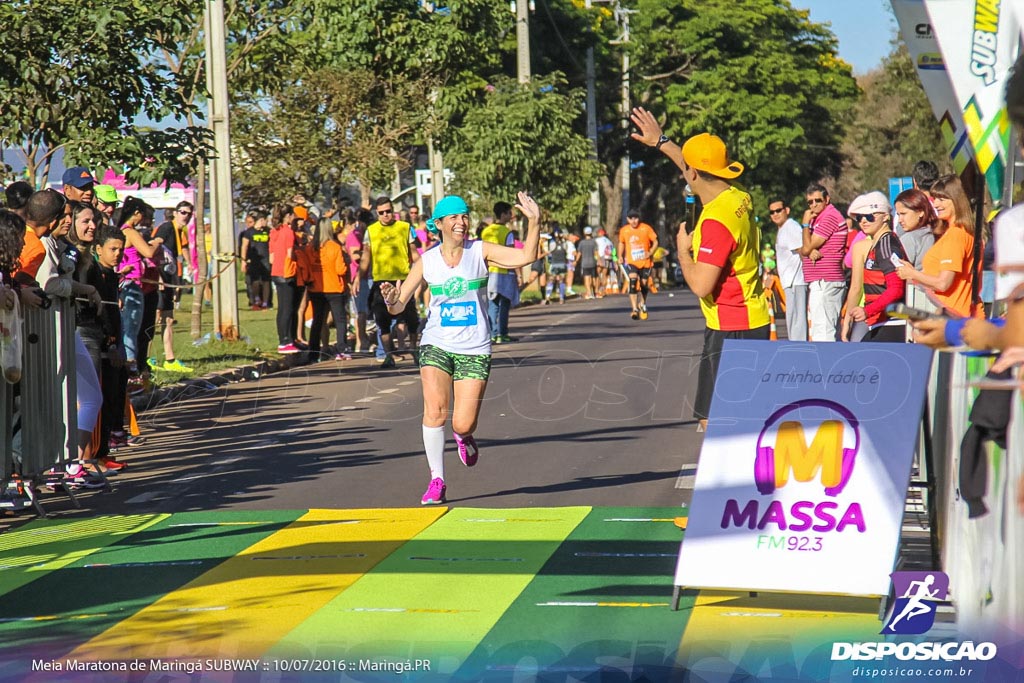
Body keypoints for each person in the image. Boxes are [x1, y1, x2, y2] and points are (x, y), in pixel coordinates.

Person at [379, 192, 540, 505]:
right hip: (436, 343)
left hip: (475, 347)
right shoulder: (426, 260)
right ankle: (437, 480)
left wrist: (534, 221)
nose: (461, 222)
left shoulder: (480, 250)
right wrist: (389, 298)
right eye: (454, 217)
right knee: (434, 411)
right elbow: (399, 306)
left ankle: (464, 436)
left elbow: (526, 257)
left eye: (464, 216)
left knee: (461, 422)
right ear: (438, 224)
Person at [630, 108, 770, 431]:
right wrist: (662, 142)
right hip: (754, 316)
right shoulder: (738, 196)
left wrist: (682, 253)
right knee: (744, 414)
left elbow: (701, 285)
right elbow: (693, 167)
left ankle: (729, 480)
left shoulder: (716, 222)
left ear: (692, 175)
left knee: (715, 420)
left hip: (730, 325)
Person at [897, 175, 981, 319]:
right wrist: (913, 274)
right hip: (952, 315)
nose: (935, 204)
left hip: (957, 317)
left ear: (957, 201)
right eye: (935, 198)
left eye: (941, 199)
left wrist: (913, 274)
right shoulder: (954, 232)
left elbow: (943, 283)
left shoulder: (956, 235)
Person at [359, 195, 419, 368]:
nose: (385, 215)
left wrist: (423, 272)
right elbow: (365, 257)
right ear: (377, 214)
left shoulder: (405, 228)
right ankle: (388, 355)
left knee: (410, 317)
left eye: (388, 211)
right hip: (380, 281)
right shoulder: (371, 231)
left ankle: (414, 349)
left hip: (403, 279)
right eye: (381, 213)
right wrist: (357, 278)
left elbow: (414, 253)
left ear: (393, 211)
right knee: (382, 319)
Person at [840, 192, 908, 343]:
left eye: (870, 216)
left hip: (891, 322)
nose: (864, 221)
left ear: (886, 216)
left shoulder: (886, 245)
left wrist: (867, 311)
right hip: (881, 321)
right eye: (859, 217)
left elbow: (896, 289)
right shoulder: (878, 244)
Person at [798, 183, 848, 341]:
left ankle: (827, 364)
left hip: (827, 280)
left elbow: (806, 248)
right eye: (810, 202)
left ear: (827, 199)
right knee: (820, 328)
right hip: (819, 280)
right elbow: (803, 250)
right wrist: (808, 249)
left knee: (825, 331)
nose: (813, 205)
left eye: (817, 200)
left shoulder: (830, 216)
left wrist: (805, 225)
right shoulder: (817, 219)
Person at [151, 201, 194, 372]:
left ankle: (170, 360)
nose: (186, 216)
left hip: (168, 279)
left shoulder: (178, 231)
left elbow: (177, 253)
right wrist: (158, 276)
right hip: (160, 280)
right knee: (154, 319)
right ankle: (146, 359)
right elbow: (155, 244)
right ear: (175, 213)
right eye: (183, 212)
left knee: (167, 319)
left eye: (189, 214)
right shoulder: (167, 228)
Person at [307, 216, 351, 361]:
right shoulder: (335, 247)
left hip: (316, 288)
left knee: (318, 321)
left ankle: (313, 352)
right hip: (334, 288)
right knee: (340, 320)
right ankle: (342, 350)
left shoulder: (310, 248)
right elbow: (340, 270)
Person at [480, 201, 519, 343]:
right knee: (505, 304)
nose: (511, 216)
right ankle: (503, 333)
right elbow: (511, 252)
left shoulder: (486, 231)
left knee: (492, 304)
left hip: (489, 271)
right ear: (503, 214)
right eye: (509, 213)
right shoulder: (507, 232)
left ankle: (492, 334)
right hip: (504, 271)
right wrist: (516, 272)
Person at [769, 198, 807, 341]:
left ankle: (799, 351)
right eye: (772, 212)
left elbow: (803, 251)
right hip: (790, 281)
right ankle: (796, 347)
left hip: (796, 280)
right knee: (793, 320)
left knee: (797, 320)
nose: (775, 214)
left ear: (787, 210)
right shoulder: (783, 230)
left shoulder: (791, 227)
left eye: (778, 210)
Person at [270, 202, 302, 353]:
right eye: (293, 215)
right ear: (288, 216)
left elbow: (271, 257)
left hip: (276, 271)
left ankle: (287, 338)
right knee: (288, 308)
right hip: (287, 272)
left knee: (282, 307)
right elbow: (290, 254)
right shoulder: (289, 232)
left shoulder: (275, 232)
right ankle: (285, 341)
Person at [618, 209, 659, 320]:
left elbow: (656, 241)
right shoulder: (624, 230)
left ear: (638, 218)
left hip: (645, 262)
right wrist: (620, 256)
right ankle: (634, 309)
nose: (634, 221)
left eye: (635, 218)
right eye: (631, 218)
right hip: (632, 261)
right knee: (633, 280)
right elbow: (621, 243)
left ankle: (642, 303)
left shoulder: (646, 228)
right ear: (628, 219)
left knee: (643, 284)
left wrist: (650, 252)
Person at [240, 211, 272, 310]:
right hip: (254, 260)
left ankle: (266, 303)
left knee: (266, 281)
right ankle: (257, 299)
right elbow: (244, 246)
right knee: (255, 281)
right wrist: (243, 260)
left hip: (266, 260)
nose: (266, 222)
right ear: (259, 220)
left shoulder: (268, 231)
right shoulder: (249, 232)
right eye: (264, 220)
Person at [578, 226, 599, 300]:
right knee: (593, 278)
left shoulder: (582, 243)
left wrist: (576, 261)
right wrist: (597, 260)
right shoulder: (594, 242)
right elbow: (596, 253)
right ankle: (594, 292)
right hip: (593, 262)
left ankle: (589, 293)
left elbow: (579, 253)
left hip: (584, 263)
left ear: (584, 233)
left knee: (587, 278)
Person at [594, 228, 614, 297]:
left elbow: (595, 249)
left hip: (601, 257)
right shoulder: (609, 241)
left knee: (598, 274)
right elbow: (613, 251)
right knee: (604, 275)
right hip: (608, 258)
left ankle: (596, 290)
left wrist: (597, 258)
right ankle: (603, 290)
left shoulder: (597, 240)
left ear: (599, 233)